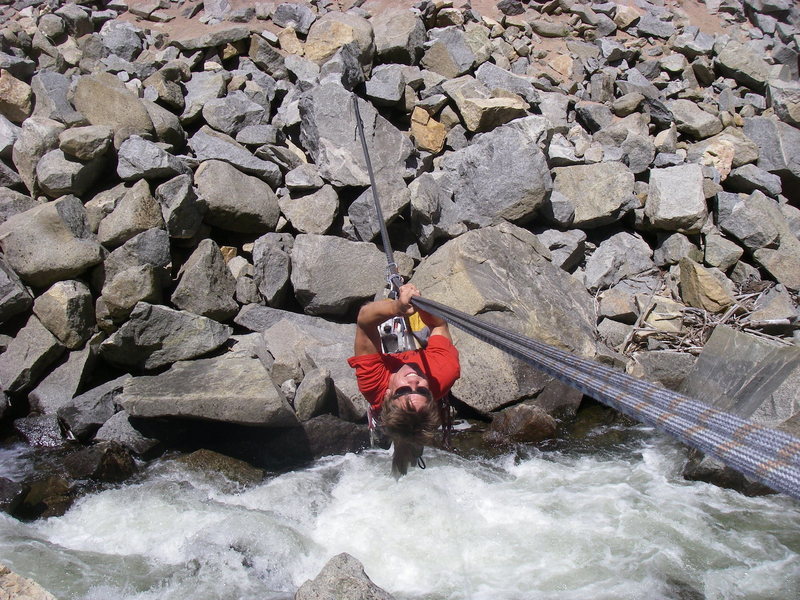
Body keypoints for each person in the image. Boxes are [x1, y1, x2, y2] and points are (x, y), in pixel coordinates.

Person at [347, 283, 461, 476]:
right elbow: (439, 325)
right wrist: (419, 305)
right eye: (422, 391)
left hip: (386, 387)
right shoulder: (442, 373)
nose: (414, 381)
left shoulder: (374, 385)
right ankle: (412, 440)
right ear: (430, 396)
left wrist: (397, 308)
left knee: (404, 428)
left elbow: (365, 319)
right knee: (413, 427)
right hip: (426, 369)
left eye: (404, 390)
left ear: (389, 394)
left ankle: (397, 436)